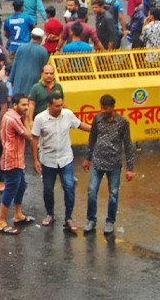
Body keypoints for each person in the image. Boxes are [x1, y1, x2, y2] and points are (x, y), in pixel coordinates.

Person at [32, 92, 91, 232]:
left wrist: (95, 129)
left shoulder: (68, 114)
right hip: (48, 160)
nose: (60, 108)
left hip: (65, 159)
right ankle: (50, 214)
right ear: (49, 105)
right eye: (56, 106)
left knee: (69, 187)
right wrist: (35, 160)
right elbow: (34, 139)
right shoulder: (40, 119)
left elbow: (79, 125)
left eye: (61, 105)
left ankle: (68, 218)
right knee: (48, 189)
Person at [84, 94, 135, 236]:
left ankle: (110, 221)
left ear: (113, 107)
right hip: (98, 161)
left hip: (114, 163)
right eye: (101, 108)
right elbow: (92, 138)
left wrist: (130, 168)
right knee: (92, 191)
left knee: (113, 193)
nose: (102, 111)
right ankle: (91, 219)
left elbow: (128, 145)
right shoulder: (97, 119)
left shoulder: (123, 123)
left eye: (105, 108)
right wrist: (88, 158)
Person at [0, 95, 34, 235]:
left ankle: (18, 214)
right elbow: (29, 135)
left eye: (27, 105)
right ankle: (0, 221)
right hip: (11, 159)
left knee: (21, 185)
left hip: (18, 158)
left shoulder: (10, 115)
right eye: (23, 105)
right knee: (11, 188)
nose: (26, 108)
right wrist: (28, 119)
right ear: (15, 104)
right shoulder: (14, 119)